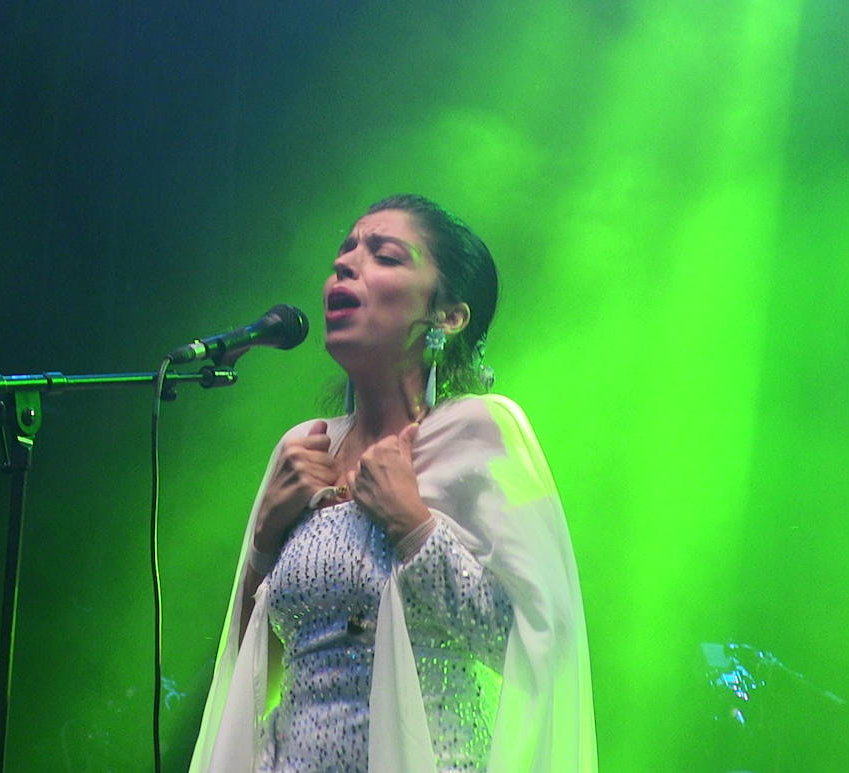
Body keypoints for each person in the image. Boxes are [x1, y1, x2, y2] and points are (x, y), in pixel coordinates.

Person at [189, 195, 596, 772]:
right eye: (343, 254)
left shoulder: (480, 429)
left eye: (384, 256)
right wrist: (263, 539)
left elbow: (536, 644)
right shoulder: (303, 448)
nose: (346, 267)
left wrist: (412, 525)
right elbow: (246, 671)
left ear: (448, 317)